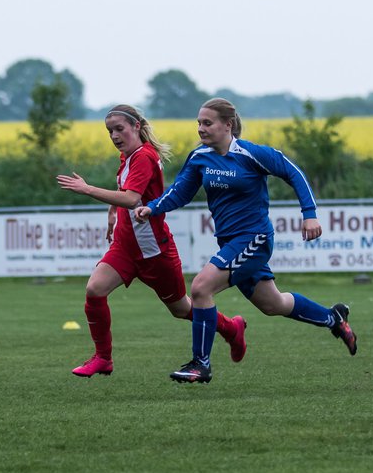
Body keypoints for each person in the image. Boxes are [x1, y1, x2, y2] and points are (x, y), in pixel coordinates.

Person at [133, 97, 356, 384]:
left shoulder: (251, 154)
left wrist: (309, 214)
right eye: (199, 123)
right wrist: (153, 207)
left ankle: (200, 365)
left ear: (228, 125)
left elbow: (294, 173)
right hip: (230, 242)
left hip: (255, 239)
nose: (201, 128)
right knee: (273, 304)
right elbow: (179, 192)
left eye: (207, 123)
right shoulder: (200, 157)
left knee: (201, 288)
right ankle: (333, 319)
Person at [56, 103, 246, 377]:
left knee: (181, 309)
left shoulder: (144, 156)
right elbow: (124, 190)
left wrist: (87, 189)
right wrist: (112, 213)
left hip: (154, 252)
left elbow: (132, 198)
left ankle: (231, 328)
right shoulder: (128, 156)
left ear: (136, 126)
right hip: (125, 247)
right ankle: (103, 358)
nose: (114, 136)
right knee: (95, 290)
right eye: (110, 131)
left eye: (119, 129)